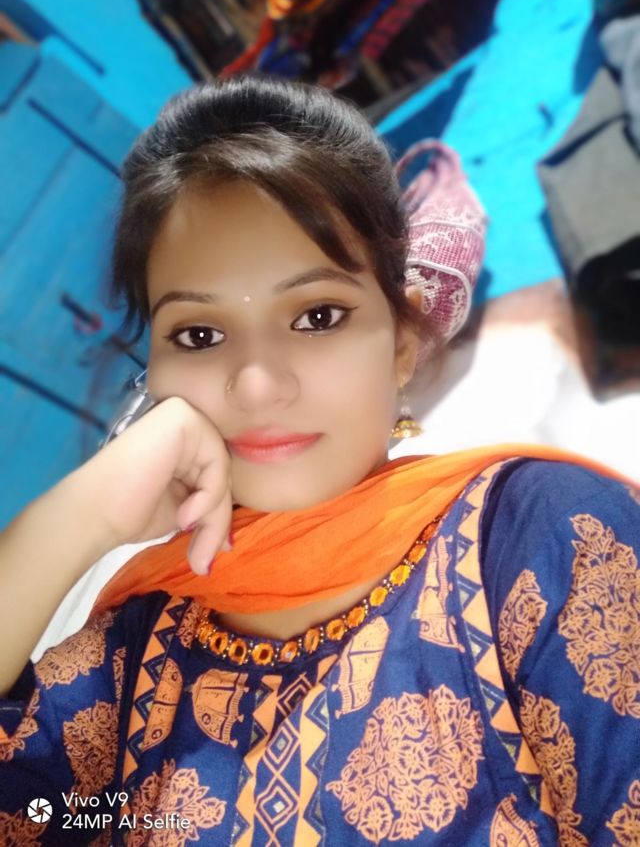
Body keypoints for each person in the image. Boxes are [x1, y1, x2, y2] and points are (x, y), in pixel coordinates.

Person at [1, 74, 639, 847]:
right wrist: (71, 520)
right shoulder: (127, 656)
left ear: (401, 344)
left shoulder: (536, 543)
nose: (256, 384)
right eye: (198, 334)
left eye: (317, 315)